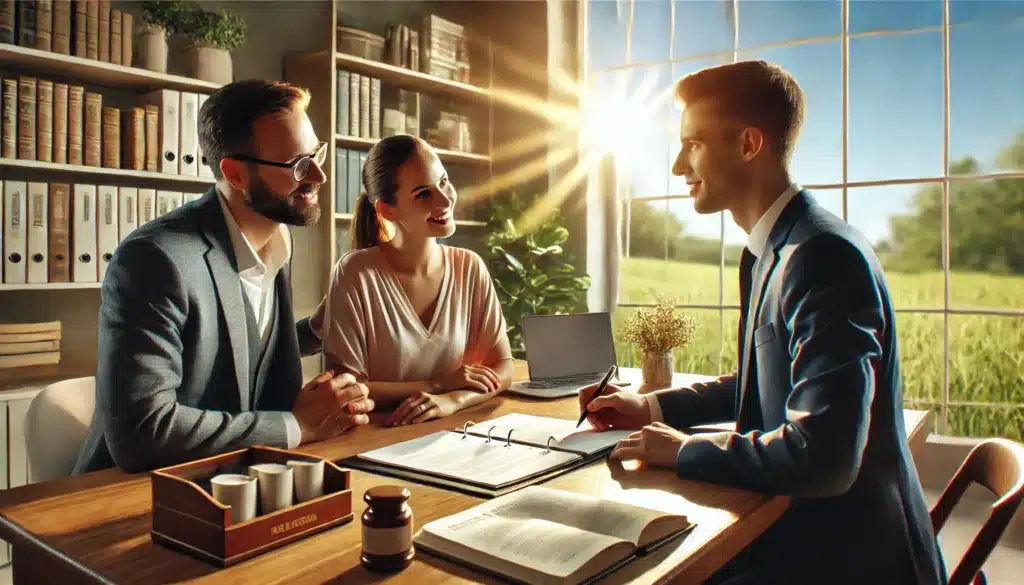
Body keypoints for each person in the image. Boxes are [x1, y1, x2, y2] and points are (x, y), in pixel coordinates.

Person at [579, 61, 946, 585]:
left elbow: (825, 457)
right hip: (804, 530)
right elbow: (760, 380)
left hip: (850, 558)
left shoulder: (821, 256)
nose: (679, 163)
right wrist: (649, 406)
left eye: (694, 144)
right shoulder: (774, 250)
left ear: (750, 144)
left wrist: (686, 450)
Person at [74, 80, 373, 474]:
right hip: (127, 496)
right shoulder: (154, 260)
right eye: (300, 164)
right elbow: (141, 433)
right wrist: (296, 425)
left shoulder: (277, 237)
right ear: (235, 173)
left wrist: (316, 330)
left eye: (318, 153)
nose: (319, 175)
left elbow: (234, 347)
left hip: (237, 479)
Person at [322, 134, 513, 426]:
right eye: (423, 193)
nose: (445, 198)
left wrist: (452, 400)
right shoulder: (356, 273)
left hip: (454, 432)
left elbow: (503, 368)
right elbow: (347, 390)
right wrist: (438, 385)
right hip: (376, 439)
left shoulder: (470, 267)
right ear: (388, 210)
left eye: (444, 182)